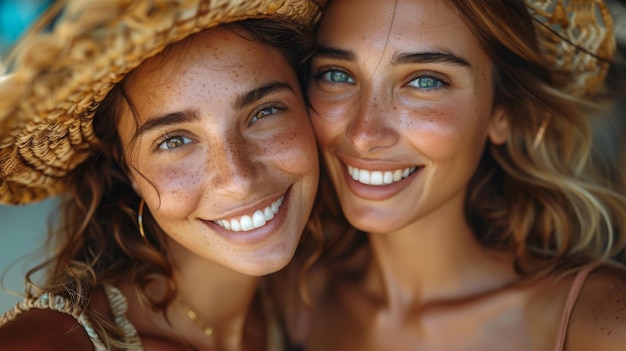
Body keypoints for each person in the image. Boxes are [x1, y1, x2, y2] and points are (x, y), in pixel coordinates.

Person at [277, 0, 626, 350]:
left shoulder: (603, 321)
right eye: (337, 75)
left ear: (503, 112)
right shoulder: (299, 299)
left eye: (425, 81)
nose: (364, 134)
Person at [0, 0, 325, 350]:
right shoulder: (47, 344)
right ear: (126, 166)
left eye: (265, 112)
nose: (238, 179)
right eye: (174, 141)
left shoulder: (320, 305)